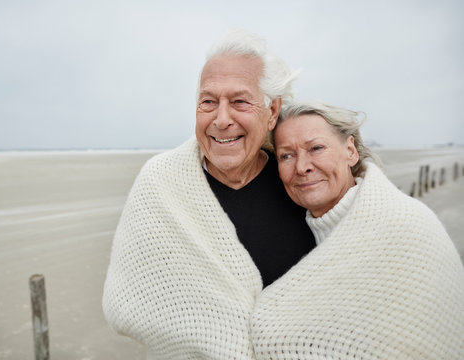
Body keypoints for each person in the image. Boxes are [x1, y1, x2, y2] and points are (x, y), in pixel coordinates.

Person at [102, 30, 315, 359]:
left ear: (272, 111)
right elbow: (126, 304)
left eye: (239, 101)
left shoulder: (302, 182)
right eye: (208, 102)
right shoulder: (160, 184)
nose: (222, 119)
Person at [249, 101, 464, 359]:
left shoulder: (406, 225)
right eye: (287, 155)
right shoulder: (285, 237)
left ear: (350, 151)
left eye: (316, 148)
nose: (302, 166)